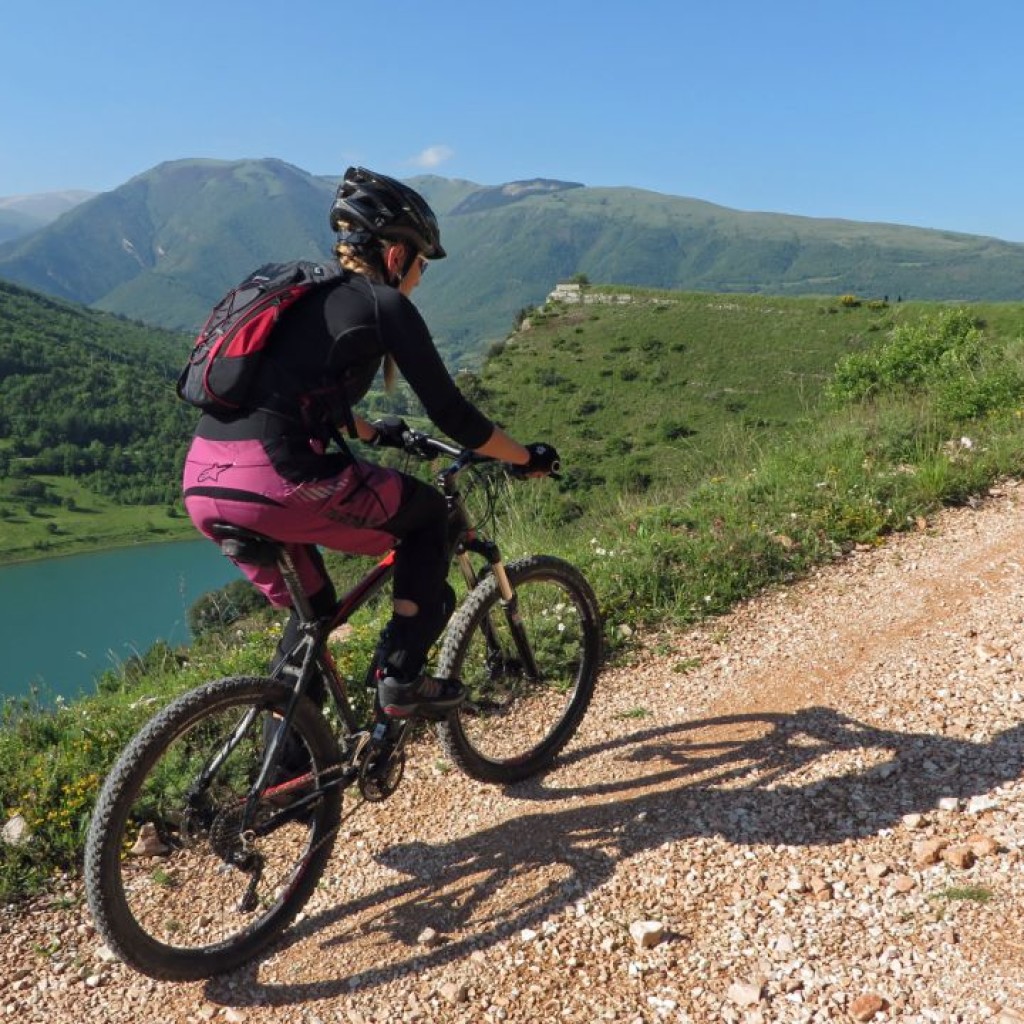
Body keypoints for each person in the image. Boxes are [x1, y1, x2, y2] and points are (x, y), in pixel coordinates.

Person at [182, 167, 558, 719]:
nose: (421, 277)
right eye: (421, 262)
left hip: (204, 479)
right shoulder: (384, 306)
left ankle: (291, 780)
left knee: (313, 616)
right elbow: (455, 416)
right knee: (429, 518)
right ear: (395, 254)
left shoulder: (304, 296)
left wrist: (375, 432)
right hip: (278, 479)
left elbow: (296, 396)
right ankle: (400, 677)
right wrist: (527, 457)